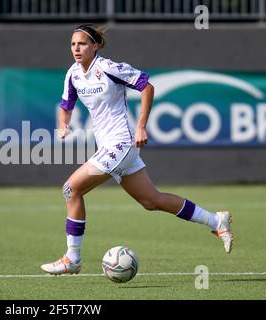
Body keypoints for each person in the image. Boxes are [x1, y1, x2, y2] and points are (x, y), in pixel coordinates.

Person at [41, 24, 234, 275]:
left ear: (95, 46)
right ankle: (216, 220)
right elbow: (66, 104)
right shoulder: (73, 74)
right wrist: (63, 124)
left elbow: (147, 86)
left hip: (120, 143)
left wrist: (141, 126)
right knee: (151, 201)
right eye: (73, 44)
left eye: (83, 44)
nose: (76, 49)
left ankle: (72, 258)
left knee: (71, 189)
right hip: (114, 149)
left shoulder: (108, 68)